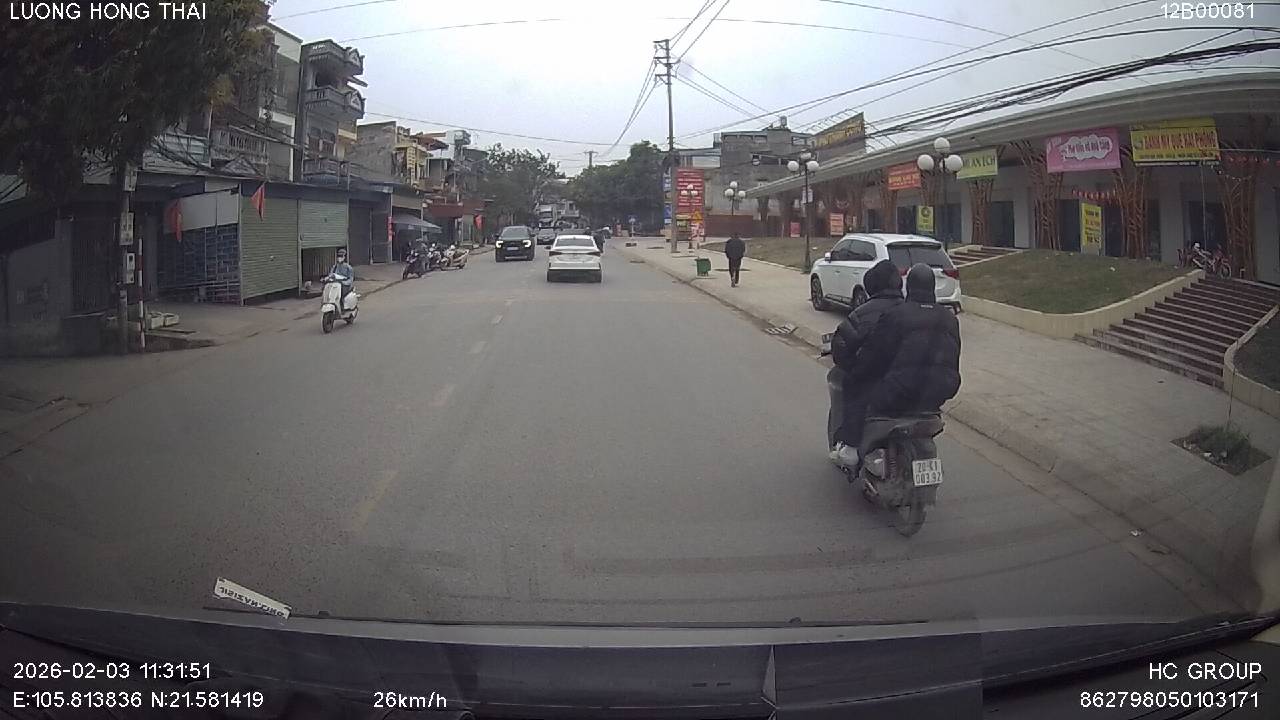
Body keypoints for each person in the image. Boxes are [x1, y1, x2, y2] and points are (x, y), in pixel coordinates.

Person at [846, 263, 961, 464]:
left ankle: (852, 450)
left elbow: (874, 354)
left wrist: (857, 373)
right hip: (939, 393)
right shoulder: (949, 319)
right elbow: (954, 356)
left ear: (909, 286)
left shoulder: (897, 315)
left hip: (900, 393)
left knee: (859, 392)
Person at [828, 260, 904, 466]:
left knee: (852, 386)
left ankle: (850, 446)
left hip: (877, 382)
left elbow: (841, 346)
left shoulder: (863, 313)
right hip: (911, 383)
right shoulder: (911, 310)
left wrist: (853, 365)